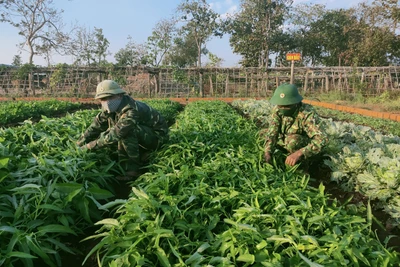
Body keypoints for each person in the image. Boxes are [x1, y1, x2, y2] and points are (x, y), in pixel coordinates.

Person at [76, 80, 169, 180]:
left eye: (110, 97)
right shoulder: (111, 109)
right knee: (111, 134)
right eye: (102, 99)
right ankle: (138, 155)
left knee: (126, 132)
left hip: (158, 137)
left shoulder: (131, 110)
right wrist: (80, 142)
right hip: (144, 135)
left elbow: (117, 133)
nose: (106, 102)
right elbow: (96, 126)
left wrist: (89, 146)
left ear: (119, 95)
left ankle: (132, 171)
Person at [263, 83, 327, 167]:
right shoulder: (277, 110)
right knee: (263, 134)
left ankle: (303, 166)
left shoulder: (307, 113)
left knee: (293, 141)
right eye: (280, 106)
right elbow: (272, 132)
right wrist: (267, 152)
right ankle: (282, 158)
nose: (283, 109)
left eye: (287, 106)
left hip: (303, 146)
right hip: (284, 140)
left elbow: (322, 139)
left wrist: (299, 153)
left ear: (296, 103)